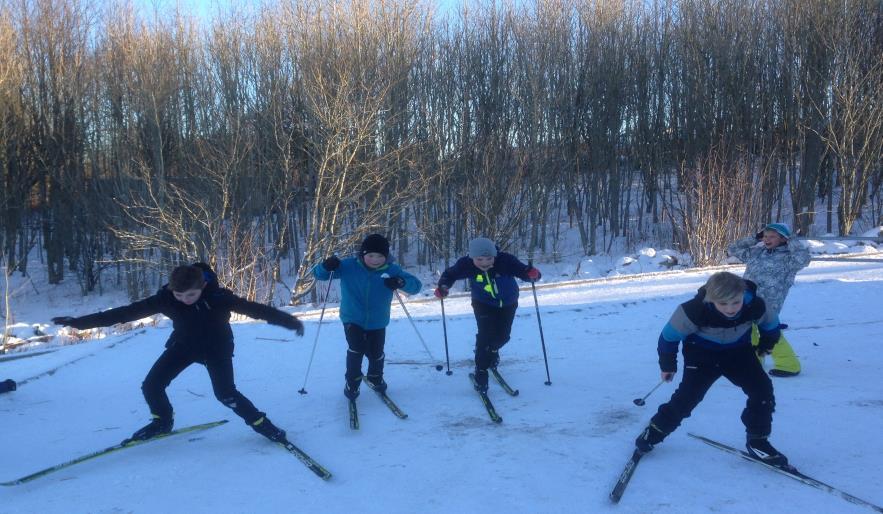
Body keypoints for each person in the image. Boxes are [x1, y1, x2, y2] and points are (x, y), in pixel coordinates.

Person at [52, 262, 304, 444]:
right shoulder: (166, 298)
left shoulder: (218, 298)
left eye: (191, 294)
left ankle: (262, 424)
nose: (184, 299)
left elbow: (255, 310)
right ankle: (162, 421)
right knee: (151, 385)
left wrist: (289, 321)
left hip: (217, 348)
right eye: (179, 294)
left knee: (225, 394)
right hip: (183, 346)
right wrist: (79, 323)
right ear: (171, 289)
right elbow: (123, 313)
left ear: (203, 286)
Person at [634, 271, 789, 466]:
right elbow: (668, 338)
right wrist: (668, 366)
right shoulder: (693, 310)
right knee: (687, 398)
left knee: (762, 390)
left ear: (743, 295)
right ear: (711, 299)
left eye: (735, 302)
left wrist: (767, 343)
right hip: (701, 356)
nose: (731, 309)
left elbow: (771, 324)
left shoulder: (755, 305)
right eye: (723, 304)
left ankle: (758, 440)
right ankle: (654, 431)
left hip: (738, 353)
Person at [313, 234, 422, 400]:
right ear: (362, 254)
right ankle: (352, 383)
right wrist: (326, 266)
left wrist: (400, 282)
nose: (375, 260)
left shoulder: (391, 270)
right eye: (370, 255)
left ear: (386, 256)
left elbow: (416, 287)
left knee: (376, 353)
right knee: (356, 350)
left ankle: (375, 378)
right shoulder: (348, 266)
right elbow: (319, 275)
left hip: (378, 320)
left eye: (380, 256)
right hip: (352, 318)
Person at [434, 237, 541, 392]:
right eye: (480, 259)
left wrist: (533, 274)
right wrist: (443, 287)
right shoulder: (466, 264)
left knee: (503, 337)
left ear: (495, 255)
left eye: (489, 258)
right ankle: (481, 372)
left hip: (508, 303)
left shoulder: (505, 261)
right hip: (483, 304)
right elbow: (450, 274)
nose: (485, 263)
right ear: (472, 258)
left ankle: (493, 351)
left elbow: (524, 272)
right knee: (485, 336)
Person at [728, 223, 811, 377]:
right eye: (765, 236)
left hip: (769, 302)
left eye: (772, 236)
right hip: (746, 298)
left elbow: (804, 258)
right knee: (747, 330)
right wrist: (754, 239)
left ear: (783, 238)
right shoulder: (758, 252)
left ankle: (789, 365)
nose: (767, 239)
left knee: (769, 331)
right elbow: (733, 248)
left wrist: (791, 239)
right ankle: (753, 361)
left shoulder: (789, 258)